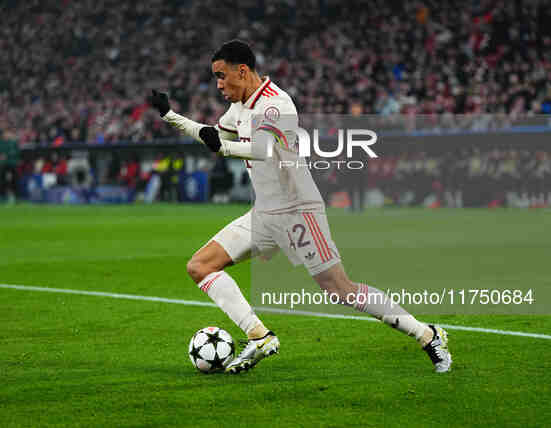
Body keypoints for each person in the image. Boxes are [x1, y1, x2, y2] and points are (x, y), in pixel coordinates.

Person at [150, 40, 452, 374]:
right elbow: (211, 136)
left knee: (340, 290)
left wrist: (223, 147)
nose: (218, 85)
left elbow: (262, 148)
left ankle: (427, 334)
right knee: (200, 266)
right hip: (264, 214)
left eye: (222, 76)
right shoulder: (238, 108)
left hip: (298, 211)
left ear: (243, 70)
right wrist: (170, 116)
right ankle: (259, 336)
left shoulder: (277, 104)